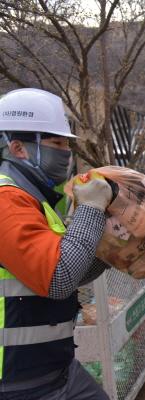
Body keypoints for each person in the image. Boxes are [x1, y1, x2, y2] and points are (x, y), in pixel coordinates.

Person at [0, 88, 114, 399]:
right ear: (19, 148)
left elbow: (72, 269)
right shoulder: (5, 202)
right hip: (17, 384)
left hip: (56, 370)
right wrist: (91, 210)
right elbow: (59, 278)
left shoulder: (34, 200)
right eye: (58, 143)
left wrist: (110, 249)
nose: (67, 152)